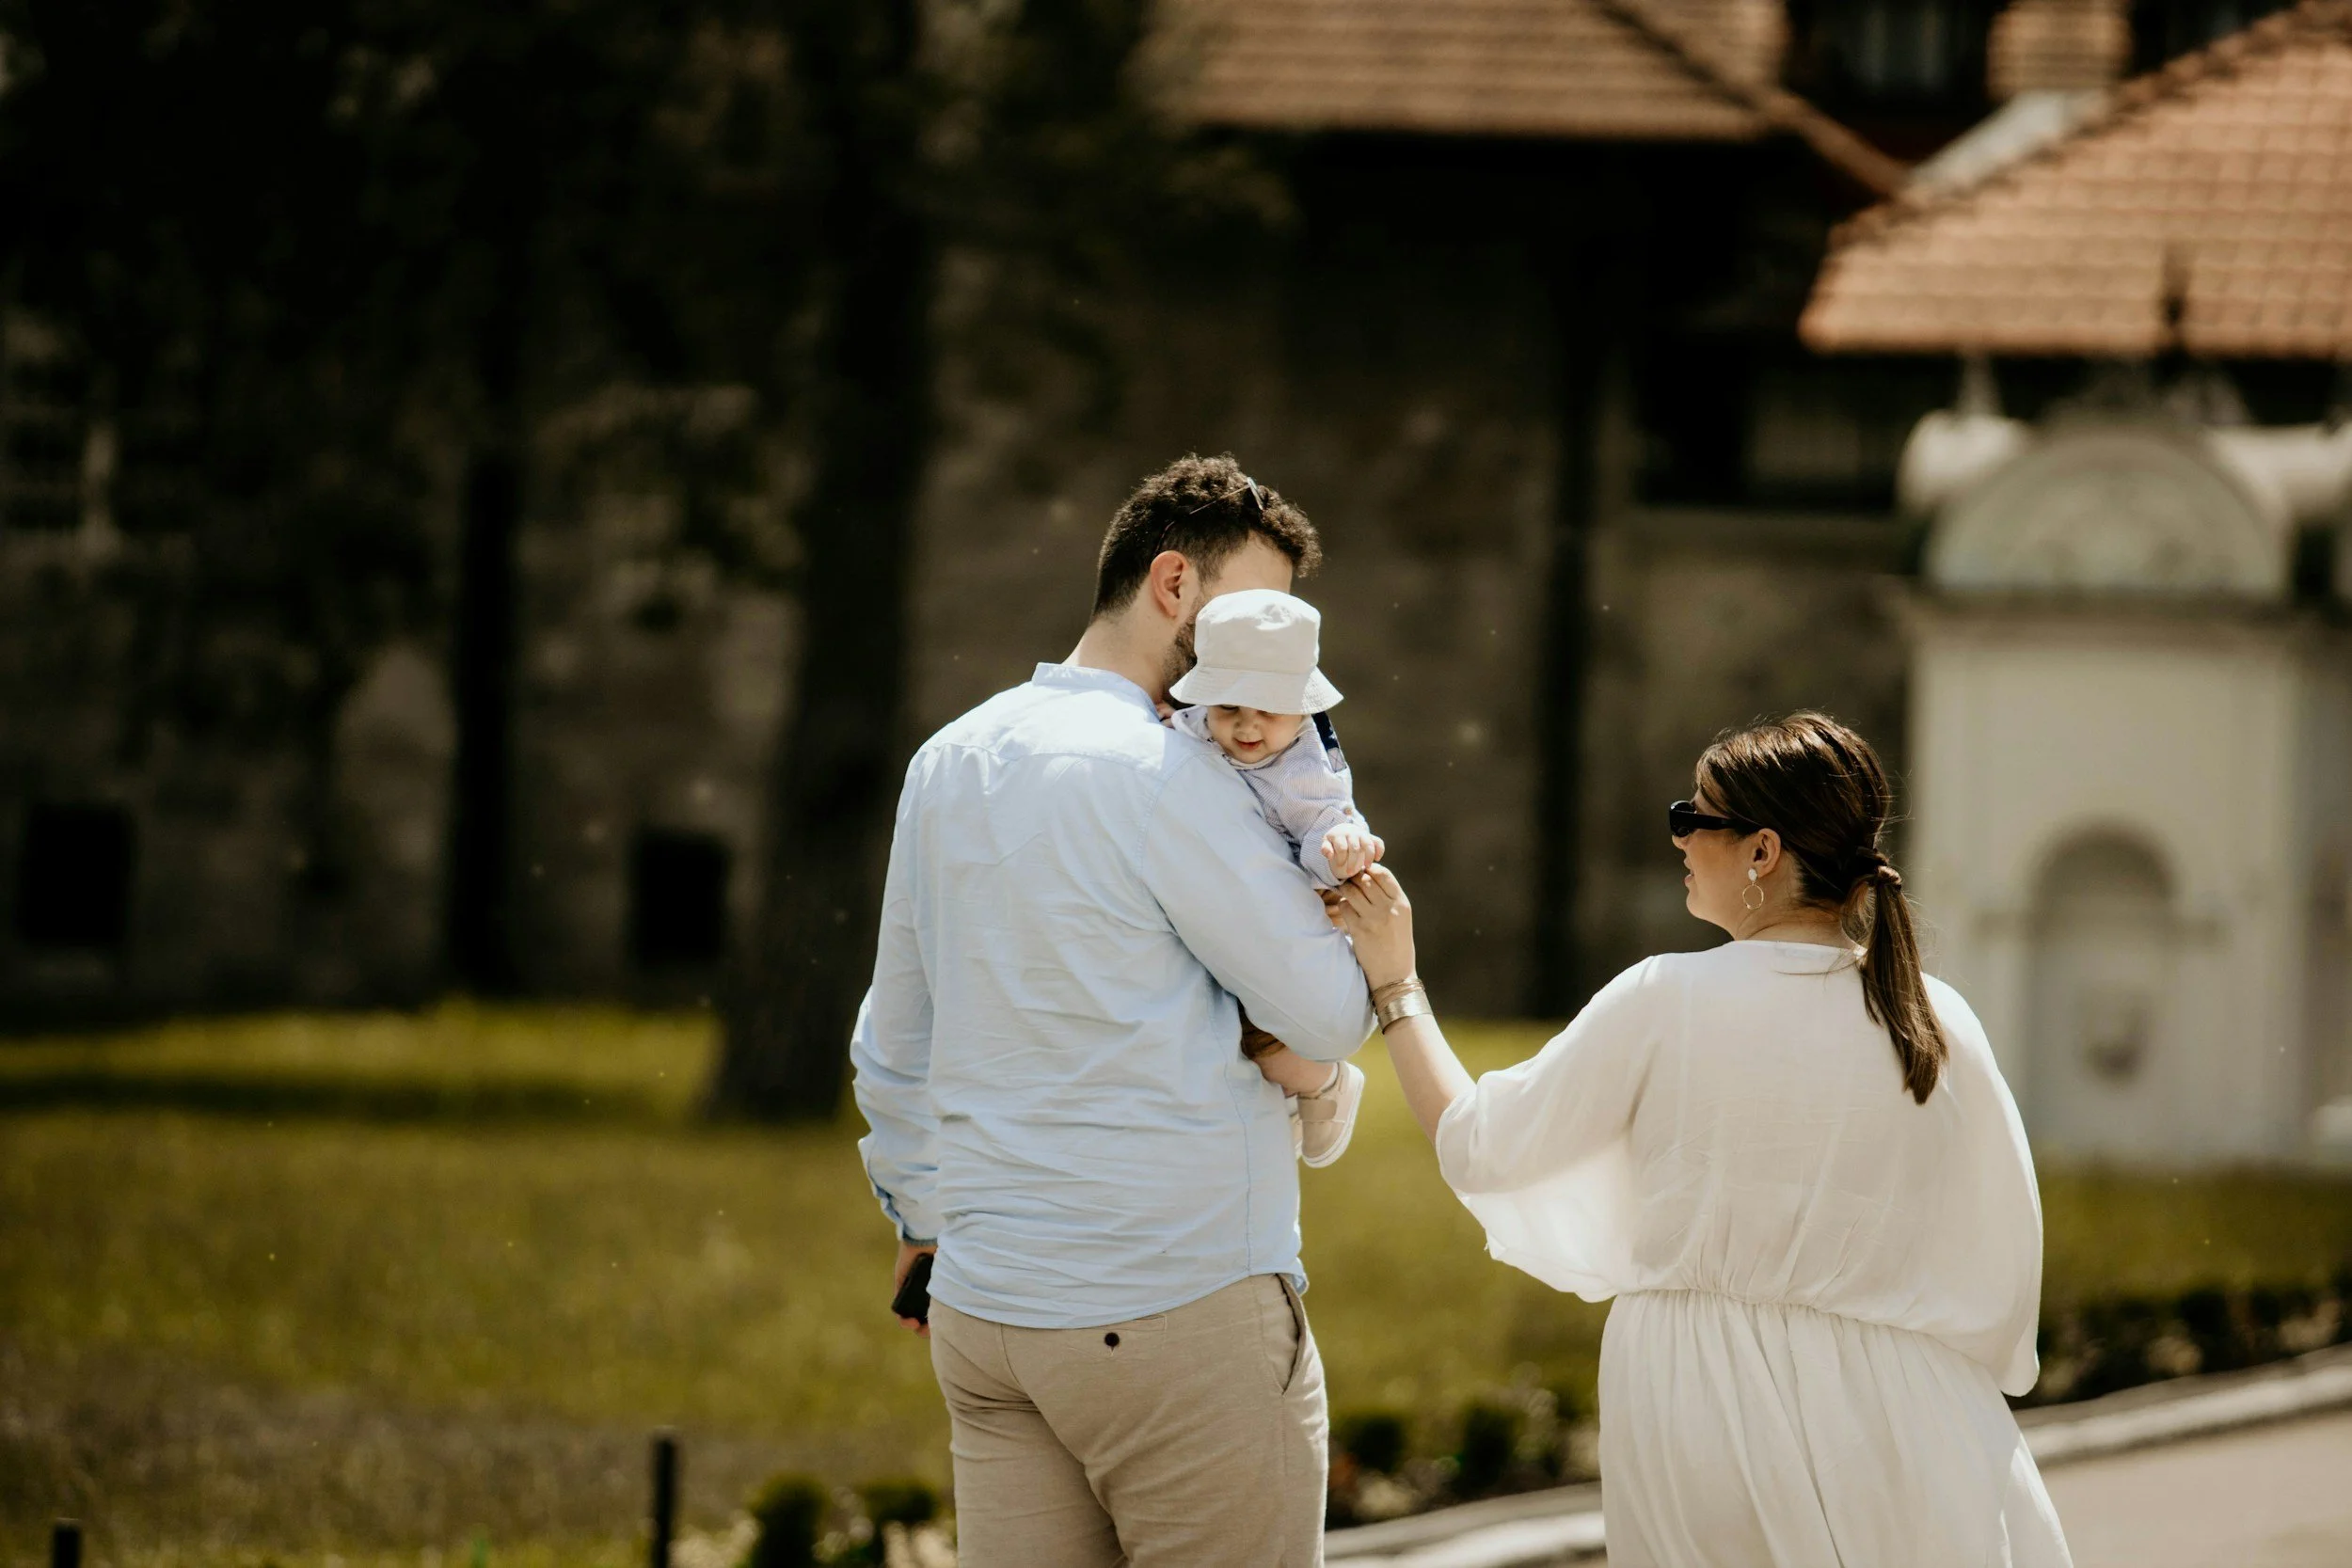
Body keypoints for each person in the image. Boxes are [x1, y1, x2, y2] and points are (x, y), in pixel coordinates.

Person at [1328, 713, 2074, 1567]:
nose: (1679, 836)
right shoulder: (1939, 1017)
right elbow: (2001, 1254)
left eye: (1694, 816)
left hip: (1707, 1403)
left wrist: (1396, 982)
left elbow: (1482, 1145)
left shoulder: (1665, 997)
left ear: (1762, 850)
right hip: (1917, 1409)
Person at [850, 453, 1375, 1566]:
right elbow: (1332, 1010)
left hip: (988, 1313)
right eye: (1253, 617)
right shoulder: (1173, 774)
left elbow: (896, 1040)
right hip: (1173, 1303)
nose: (1270, 660)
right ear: (1173, 584)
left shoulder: (948, 757)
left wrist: (923, 1222)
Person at [1167, 586, 1382, 1165]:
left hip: (1291, 913)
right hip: (1225, 896)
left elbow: (1324, 824)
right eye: (1228, 707)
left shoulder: (1302, 769)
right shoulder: (1199, 725)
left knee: (1262, 1038)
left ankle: (1322, 1082)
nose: (1247, 726)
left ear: (1303, 708)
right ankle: (1277, 1102)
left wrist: (1339, 849)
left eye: (1268, 709)